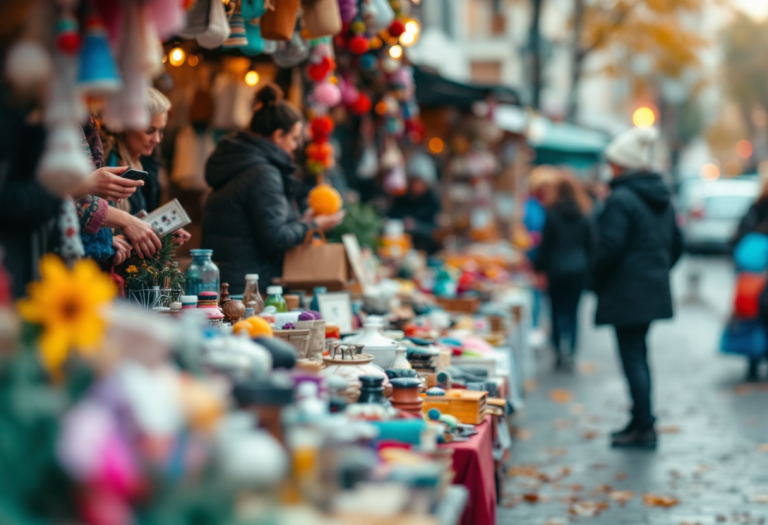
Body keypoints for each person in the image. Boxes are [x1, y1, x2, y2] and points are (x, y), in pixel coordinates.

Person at [201, 84, 344, 294]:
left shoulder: (240, 162)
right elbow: (275, 238)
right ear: (278, 136)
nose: (296, 146)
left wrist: (303, 222)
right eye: (294, 138)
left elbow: (262, 225)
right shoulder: (263, 173)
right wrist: (314, 224)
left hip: (227, 281)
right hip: (248, 288)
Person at [593, 126, 683, 449]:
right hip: (649, 289)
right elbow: (676, 245)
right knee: (639, 356)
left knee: (632, 358)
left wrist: (598, 279)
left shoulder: (621, 199)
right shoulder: (662, 197)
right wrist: (656, 272)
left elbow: (609, 249)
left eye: (613, 163)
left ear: (622, 165)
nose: (610, 169)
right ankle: (641, 419)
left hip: (625, 291)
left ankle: (643, 425)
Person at [534, 175, 595, 371]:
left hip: (556, 269)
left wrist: (539, 268)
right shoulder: (584, 214)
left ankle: (559, 351)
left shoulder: (551, 214)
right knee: (573, 312)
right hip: (578, 270)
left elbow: (545, 246)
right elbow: (592, 246)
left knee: (556, 311)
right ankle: (572, 351)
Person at [732, 178, 768, 380]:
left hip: (753, 275)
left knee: (752, 315)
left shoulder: (755, 208)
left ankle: (753, 363)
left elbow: (738, 238)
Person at [387, 152, 442, 254]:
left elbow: (436, 230)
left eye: (420, 182)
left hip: (425, 250)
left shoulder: (432, 201)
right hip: (399, 249)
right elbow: (391, 217)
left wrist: (417, 227)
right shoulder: (401, 197)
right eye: (414, 181)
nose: (416, 186)